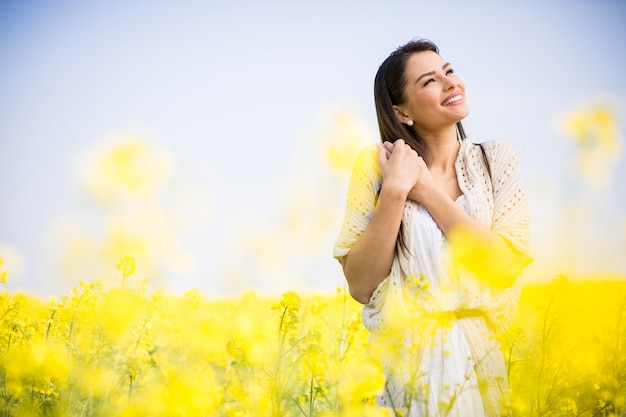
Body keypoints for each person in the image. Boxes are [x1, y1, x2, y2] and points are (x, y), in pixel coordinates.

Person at [333, 39, 532, 417]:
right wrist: (394, 190)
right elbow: (361, 286)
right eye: (429, 81)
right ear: (401, 112)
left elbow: (503, 267)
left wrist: (423, 189)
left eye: (449, 71)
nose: (450, 83)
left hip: (479, 360)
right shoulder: (375, 166)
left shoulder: (496, 160)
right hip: (403, 367)